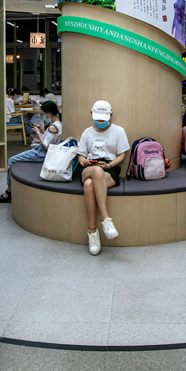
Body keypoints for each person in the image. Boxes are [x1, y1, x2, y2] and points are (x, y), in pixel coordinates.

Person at [78, 100, 129, 255]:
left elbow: (122, 155)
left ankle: (92, 232)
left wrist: (109, 165)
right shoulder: (87, 132)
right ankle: (106, 220)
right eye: (98, 119)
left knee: (89, 185)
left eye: (103, 119)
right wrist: (84, 161)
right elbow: (81, 155)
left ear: (110, 115)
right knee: (95, 172)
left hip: (109, 169)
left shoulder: (118, 131)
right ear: (92, 115)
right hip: (88, 168)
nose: (100, 122)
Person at [0, 100, 62, 203]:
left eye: (43, 114)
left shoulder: (53, 127)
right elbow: (49, 140)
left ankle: (9, 191)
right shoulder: (58, 124)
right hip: (44, 151)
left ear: (49, 114)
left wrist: (38, 133)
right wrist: (42, 130)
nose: (43, 116)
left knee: (11, 161)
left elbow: (46, 146)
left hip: (42, 153)